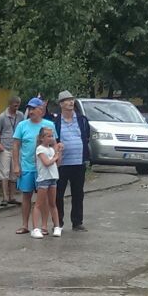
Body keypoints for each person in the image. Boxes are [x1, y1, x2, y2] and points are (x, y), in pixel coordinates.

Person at [11, 98, 56, 234]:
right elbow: (16, 145)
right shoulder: (22, 125)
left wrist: (55, 161)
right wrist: (16, 165)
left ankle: (44, 226)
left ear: (41, 110)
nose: (30, 111)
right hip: (27, 166)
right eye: (29, 109)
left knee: (44, 198)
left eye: (33, 109)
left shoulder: (49, 125)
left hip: (44, 168)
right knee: (26, 196)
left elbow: (54, 144)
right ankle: (25, 225)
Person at [52, 90, 91, 232]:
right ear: (61, 104)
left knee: (78, 193)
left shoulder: (82, 119)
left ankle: (77, 222)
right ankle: (59, 223)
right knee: (58, 194)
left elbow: (86, 136)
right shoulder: (56, 121)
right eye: (67, 100)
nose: (70, 102)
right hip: (62, 163)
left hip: (78, 162)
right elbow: (54, 139)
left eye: (72, 99)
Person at [32, 125, 63, 238]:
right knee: (39, 204)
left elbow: (57, 163)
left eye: (52, 136)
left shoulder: (51, 149)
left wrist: (59, 152)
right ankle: (35, 228)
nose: (51, 138)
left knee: (52, 203)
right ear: (42, 138)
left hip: (52, 178)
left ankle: (57, 226)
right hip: (44, 179)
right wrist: (55, 156)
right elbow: (47, 163)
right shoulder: (40, 149)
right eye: (48, 136)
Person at [0, 96, 23, 206]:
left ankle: (12, 196)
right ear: (10, 104)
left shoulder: (20, 115)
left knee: (14, 172)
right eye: (15, 105)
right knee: (4, 173)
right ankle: (5, 197)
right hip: (5, 147)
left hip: (16, 148)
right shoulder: (2, 116)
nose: (17, 107)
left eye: (18, 105)